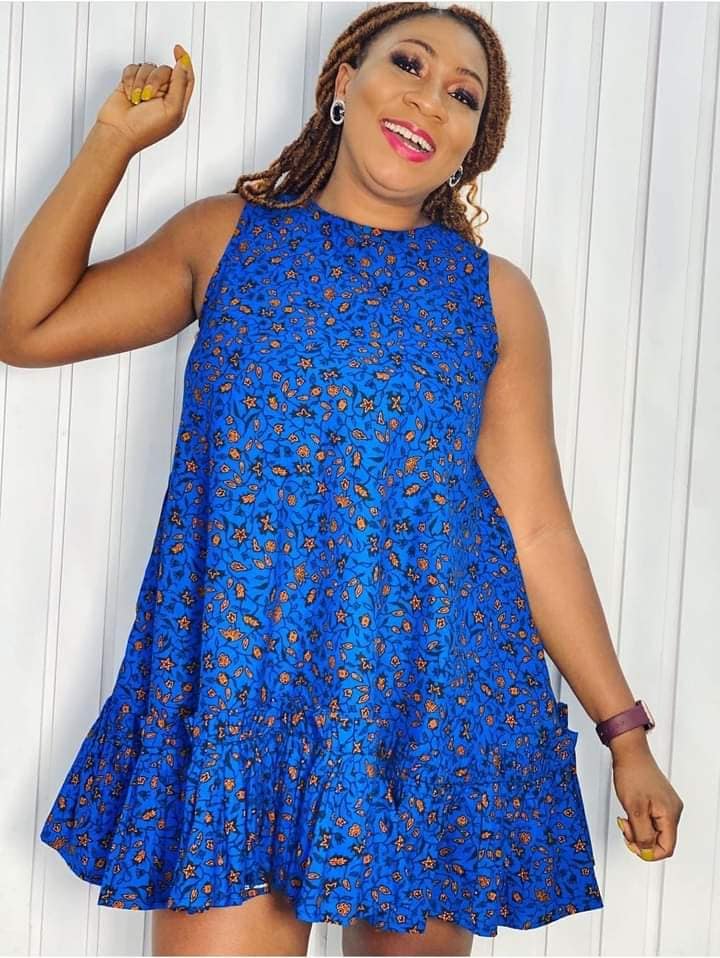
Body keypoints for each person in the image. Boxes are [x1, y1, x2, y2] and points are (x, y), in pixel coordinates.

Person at [0, 3, 683, 957]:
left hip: (431, 709)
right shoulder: (225, 240)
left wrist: (626, 735)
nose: (429, 99)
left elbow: (535, 529)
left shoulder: (493, 297)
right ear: (343, 83)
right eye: (408, 64)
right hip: (242, 696)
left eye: (463, 97)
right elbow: (26, 328)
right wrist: (114, 140)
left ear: (471, 148)